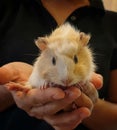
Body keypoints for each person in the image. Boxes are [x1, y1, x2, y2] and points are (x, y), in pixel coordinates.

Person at [0, 0, 117, 130]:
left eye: (75, 59)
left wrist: (87, 103)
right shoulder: (7, 8)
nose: (66, 78)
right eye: (54, 61)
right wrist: (9, 92)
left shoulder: (113, 23)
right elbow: (34, 79)